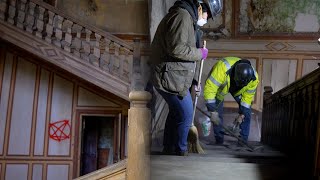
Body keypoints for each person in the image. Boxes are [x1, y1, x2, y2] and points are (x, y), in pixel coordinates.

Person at [150, 0, 223, 156]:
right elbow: (177, 49)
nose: (206, 18)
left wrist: (195, 82)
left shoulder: (190, 21)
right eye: (207, 14)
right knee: (186, 113)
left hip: (175, 75)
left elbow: (188, 59)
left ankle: (169, 147)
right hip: (167, 74)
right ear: (200, 6)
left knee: (176, 112)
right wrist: (200, 54)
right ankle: (181, 150)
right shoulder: (182, 16)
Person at [203, 57, 259, 145]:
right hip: (221, 87)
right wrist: (212, 111)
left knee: (247, 111)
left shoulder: (254, 78)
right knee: (216, 112)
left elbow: (247, 98)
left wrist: (242, 114)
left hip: (238, 90)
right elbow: (210, 89)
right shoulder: (221, 68)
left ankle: (243, 142)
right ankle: (219, 140)